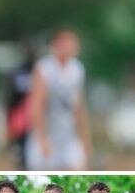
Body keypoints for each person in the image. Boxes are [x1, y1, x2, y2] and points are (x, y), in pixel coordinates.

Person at [25, 28, 92, 170]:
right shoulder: (44, 68)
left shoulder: (77, 69)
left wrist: (85, 139)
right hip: (48, 135)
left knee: (79, 169)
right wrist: (42, 140)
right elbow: (37, 106)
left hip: (68, 137)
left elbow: (79, 107)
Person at [4, 42, 36, 169]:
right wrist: (9, 122)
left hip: (36, 118)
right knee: (22, 151)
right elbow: (10, 99)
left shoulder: (42, 72)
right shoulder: (17, 72)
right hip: (21, 117)